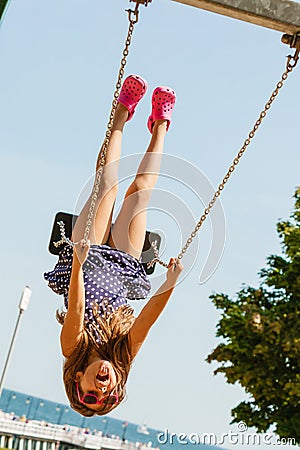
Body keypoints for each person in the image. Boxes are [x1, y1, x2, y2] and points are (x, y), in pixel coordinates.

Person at [44, 75, 183, 416]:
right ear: (119, 383)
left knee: (107, 182)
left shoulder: (72, 347)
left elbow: (76, 309)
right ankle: (161, 125)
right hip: (122, 264)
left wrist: (78, 261)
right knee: (141, 192)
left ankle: (121, 113)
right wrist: (170, 283)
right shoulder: (123, 352)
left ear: (78, 378)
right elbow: (147, 320)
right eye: (109, 393)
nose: (102, 387)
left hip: (85, 258)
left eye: (92, 392)